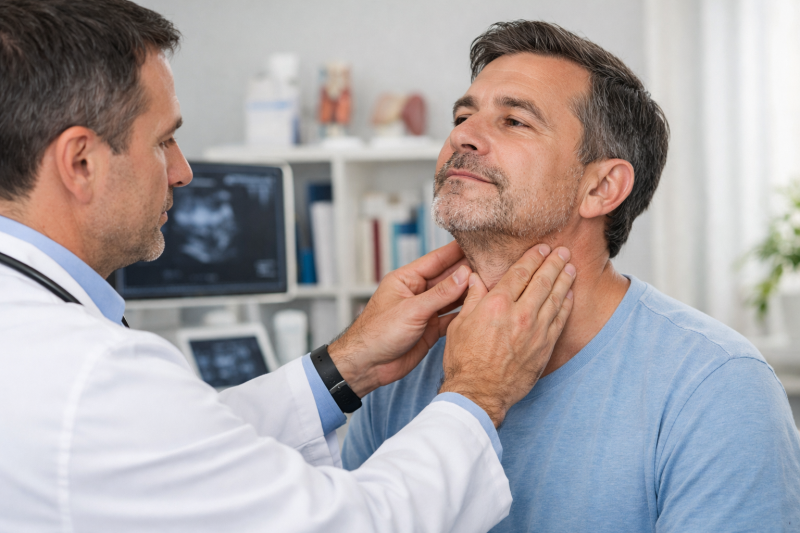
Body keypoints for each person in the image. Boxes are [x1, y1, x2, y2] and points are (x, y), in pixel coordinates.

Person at [0, 3, 579, 531]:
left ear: (603, 186)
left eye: (515, 121)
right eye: (163, 142)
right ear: (81, 162)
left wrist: (343, 366)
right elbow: (350, 523)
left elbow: (179, 454)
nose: (183, 172)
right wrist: (479, 391)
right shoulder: (85, 374)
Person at [343, 20, 800, 532]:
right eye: (462, 116)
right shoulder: (403, 369)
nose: (461, 136)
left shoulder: (718, 387)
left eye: (514, 121)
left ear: (602, 188)